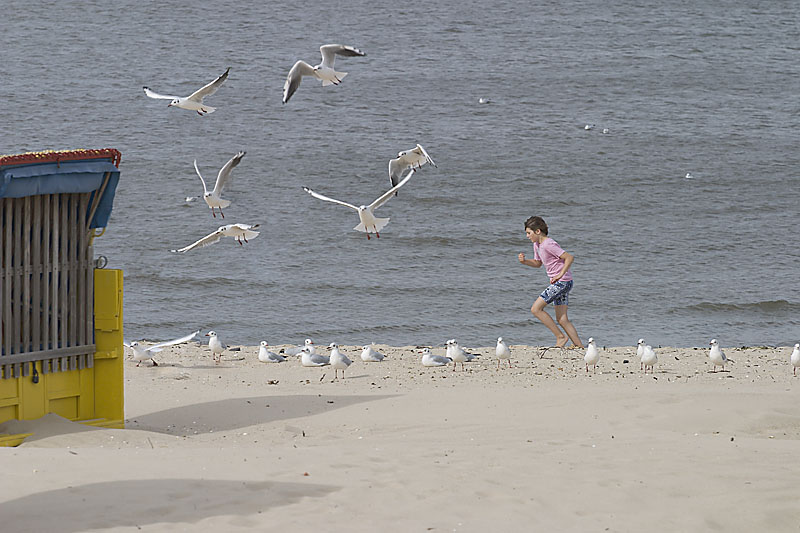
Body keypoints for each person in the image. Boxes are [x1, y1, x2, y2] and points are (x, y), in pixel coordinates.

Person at [518, 216, 583, 348]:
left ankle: (560, 337)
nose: (527, 236)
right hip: (561, 283)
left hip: (562, 282)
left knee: (536, 309)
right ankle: (579, 346)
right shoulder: (537, 245)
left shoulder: (549, 244)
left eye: (528, 233)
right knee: (562, 319)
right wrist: (525, 262)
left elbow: (569, 257)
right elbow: (537, 263)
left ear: (538, 231)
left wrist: (560, 274)